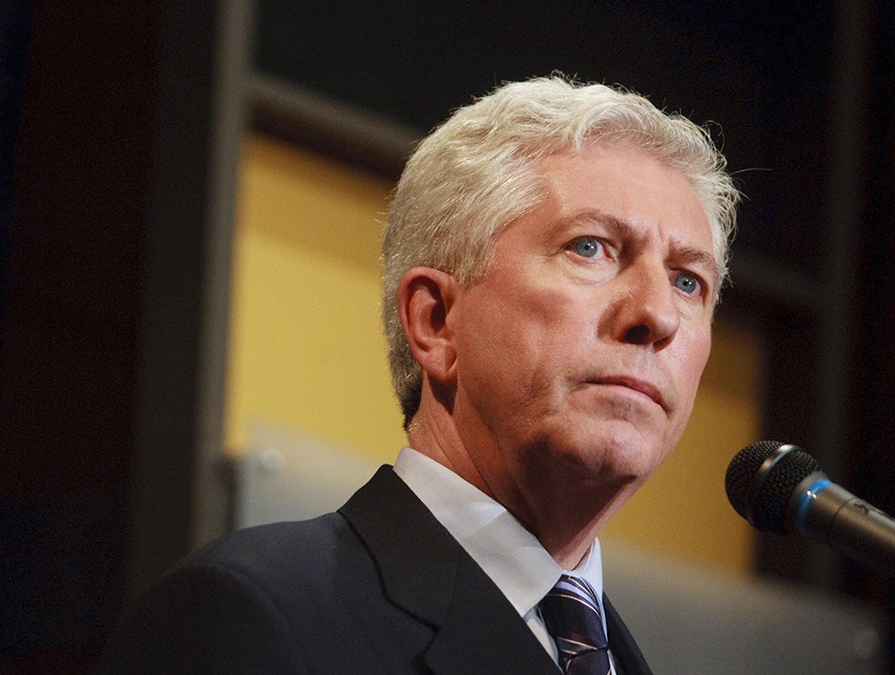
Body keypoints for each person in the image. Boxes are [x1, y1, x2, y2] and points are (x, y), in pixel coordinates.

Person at [98, 75, 739, 674]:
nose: (657, 314)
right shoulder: (251, 618)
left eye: (689, 281)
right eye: (590, 247)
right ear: (436, 321)